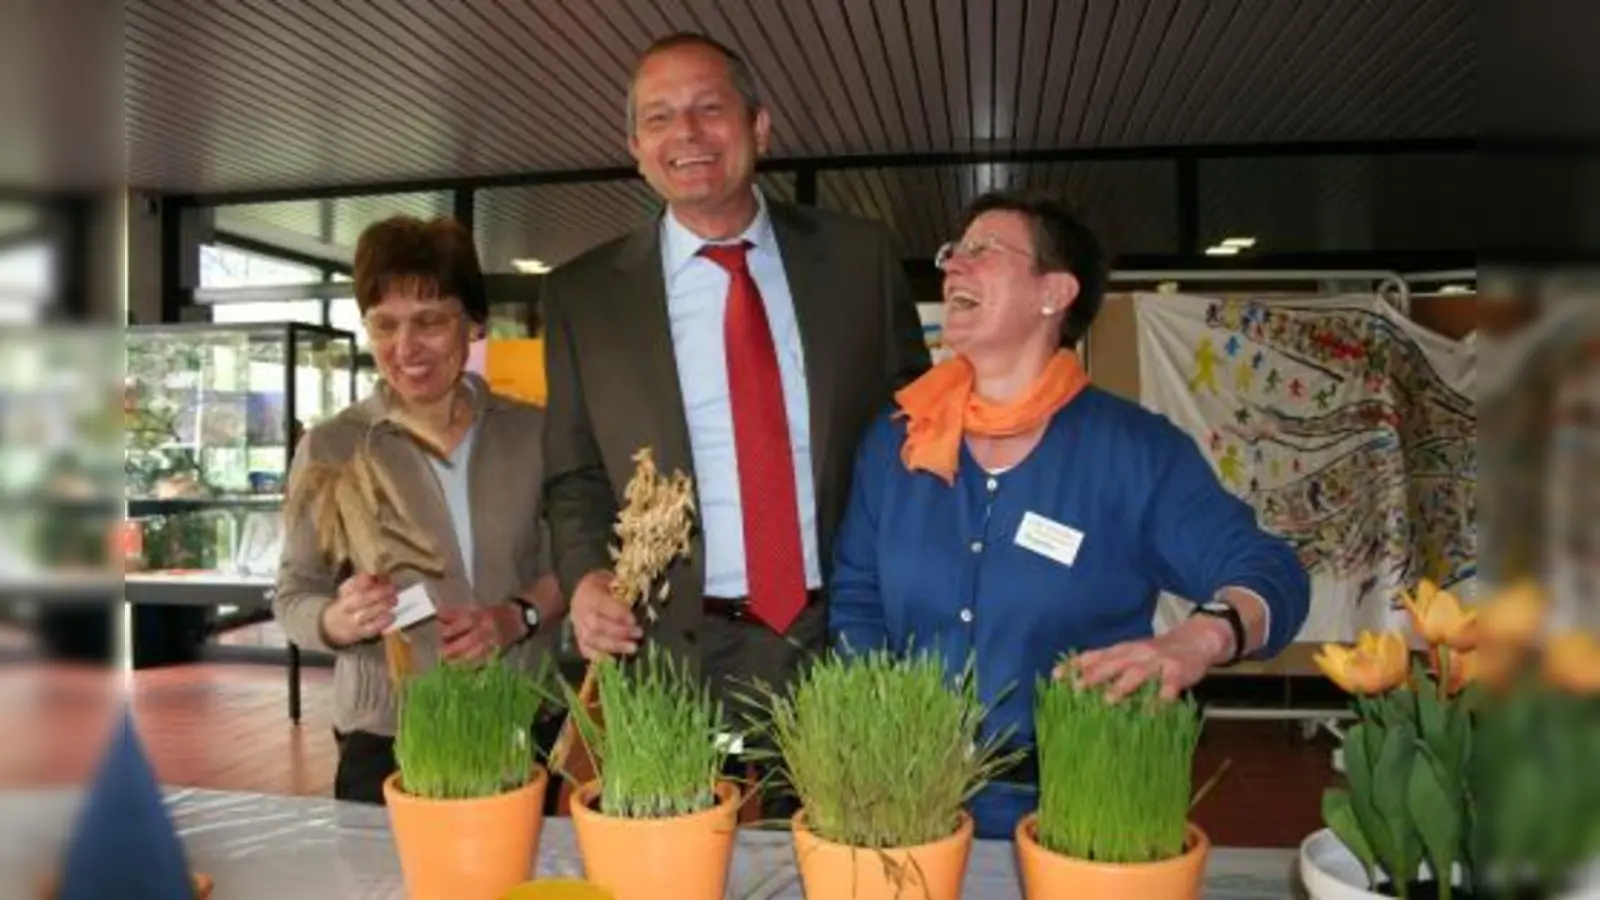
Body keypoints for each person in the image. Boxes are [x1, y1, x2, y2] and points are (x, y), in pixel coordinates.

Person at [828, 190, 1311, 841]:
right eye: (953, 252)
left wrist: (1199, 638)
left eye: (983, 251)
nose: (953, 268)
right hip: (912, 804)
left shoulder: (1136, 453)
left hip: (1075, 812)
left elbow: (1272, 571)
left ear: (1053, 292)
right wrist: (879, 721)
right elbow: (858, 597)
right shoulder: (897, 441)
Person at [540, 32, 930, 797]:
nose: (685, 134)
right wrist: (586, 576)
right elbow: (574, 472)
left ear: (759, 127)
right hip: (671, 647)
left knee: (845, 856)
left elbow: (913, 430)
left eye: (709, 108)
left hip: (838, 637)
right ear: (636, 148)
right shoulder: (584, 295)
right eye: (659, 118)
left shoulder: (858, 258)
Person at [273, 214, 567, 806]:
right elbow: (293, 595)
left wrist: (516, 619)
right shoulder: (333, 447)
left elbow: (572, 565)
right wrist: (338, 619)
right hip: (387, 737)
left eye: (429, 322)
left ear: (474, 326)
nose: (404, 348)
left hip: (521, 718)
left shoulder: (534, 433)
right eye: (384, 325)